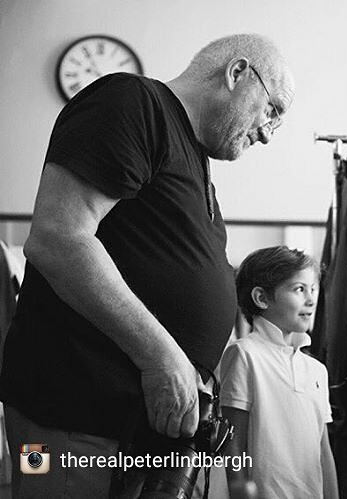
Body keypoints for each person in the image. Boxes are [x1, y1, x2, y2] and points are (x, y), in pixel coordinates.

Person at [0, 34, 294, 497]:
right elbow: (58, 238)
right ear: (238, 73)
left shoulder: (193, 155)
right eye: (272, 109)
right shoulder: (133, 102)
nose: (267, 132)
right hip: (73, 421)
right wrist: (163, 358)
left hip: (135, 433)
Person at [220, 246, 338, 499]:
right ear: (261, 298)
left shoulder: (317, 370)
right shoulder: (244, 354)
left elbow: (323, 449)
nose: (311, 299)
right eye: (299, 289)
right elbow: (233, 443)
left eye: (313, 289)